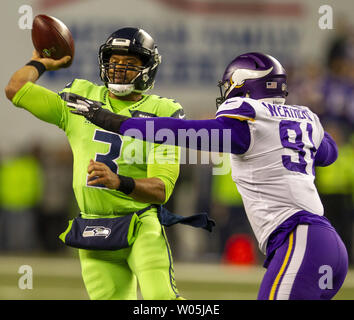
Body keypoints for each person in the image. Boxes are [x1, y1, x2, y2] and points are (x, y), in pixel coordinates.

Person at [68, 52, 349, 300]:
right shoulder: (304, 117)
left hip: (300, 238)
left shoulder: (249, 117)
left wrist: (115, 121)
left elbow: (181, 132)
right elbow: (329, 153)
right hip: (326, 243)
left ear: (243, 85)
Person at [5, 27, 188, 300]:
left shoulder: (163, 112)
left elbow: (161, 190)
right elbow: (16, 89)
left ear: (148, 68)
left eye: (129, 64)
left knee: (161, 300)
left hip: (141, 224)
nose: (118, 69)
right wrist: (41, 63)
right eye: (114, 62)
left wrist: (119, 182)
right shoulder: (80, 96)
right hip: (94, 227)